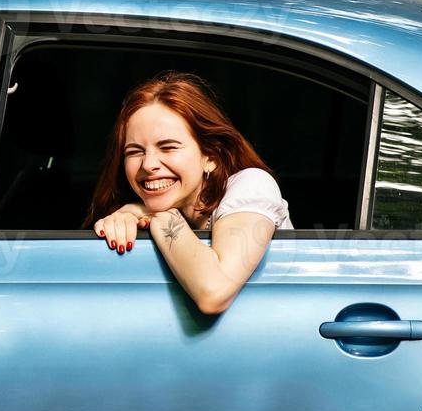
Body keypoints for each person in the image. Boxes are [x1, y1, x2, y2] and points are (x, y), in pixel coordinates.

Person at [84, 72, 291, 315]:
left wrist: (160, 216)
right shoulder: (133, 207)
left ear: (211, 157)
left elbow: (213, 293)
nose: (148, 164)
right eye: (134, 151)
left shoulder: (252, 185)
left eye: (168, 147)